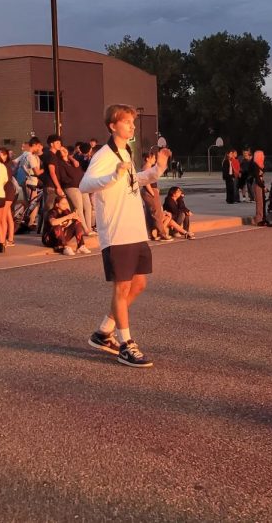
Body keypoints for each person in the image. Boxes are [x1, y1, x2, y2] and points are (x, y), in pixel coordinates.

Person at [80, 104, 169, 368]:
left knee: (139, 284)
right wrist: (112, 175)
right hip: (116, 231)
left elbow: (131, 180)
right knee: (122, 288)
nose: (132, 125)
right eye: (127, 122)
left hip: (134, 229)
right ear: (112, 126)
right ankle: (126, 345)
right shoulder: (105, 154)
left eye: (132, 121)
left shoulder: (125, 151)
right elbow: (85, 184)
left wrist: (156, 171)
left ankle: (103, 331)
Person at [246, 150, 267, 226]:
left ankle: (262, 218)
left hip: (260, 183)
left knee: (262, 202)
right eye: (262, 155)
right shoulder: (255, 165)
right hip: (257, 184)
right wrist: (263, 186)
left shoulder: (260, 164)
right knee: (259, 202)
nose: (264, 156)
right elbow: (257, 178)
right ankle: (259, 219)